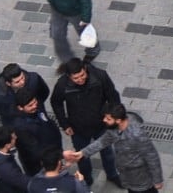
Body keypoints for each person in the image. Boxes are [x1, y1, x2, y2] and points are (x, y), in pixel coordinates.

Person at [50, 58, 121, 188]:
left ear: (85, 69)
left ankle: (112, 174)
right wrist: (64, 124)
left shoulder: (100, 76)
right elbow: (56, 103)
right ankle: (86, 179)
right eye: (76, 78)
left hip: (101, 123)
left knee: (107, 152)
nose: (80, 79)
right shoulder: (62, 85)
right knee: (81, 156)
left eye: (82, 75)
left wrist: (114, 118)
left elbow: (113, 96)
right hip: (78, 127)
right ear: (69, 76)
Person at [64, 103, 164, 193]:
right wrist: (82, 153)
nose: (104, 120)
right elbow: (103, 141)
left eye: (108, 119)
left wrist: (157, 180)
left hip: (141, 178)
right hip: (127, 175)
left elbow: (152, 158)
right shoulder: (115, 128)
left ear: (118, 120)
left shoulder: (138, 135)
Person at [10, 87, 63, 176]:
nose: (35, 106)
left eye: (35, 102)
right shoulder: (20, 127)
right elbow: (34, 150)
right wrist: (58, 154)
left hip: (53, 154)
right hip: (38, 164)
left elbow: (50, 125)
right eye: (30, 105)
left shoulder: (38, 109)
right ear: (20, 108)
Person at [0, 126, 30, 192]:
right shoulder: (8, 170)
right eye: (13, 138)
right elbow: (23, 183)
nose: (16, 137)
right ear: (7, 145)